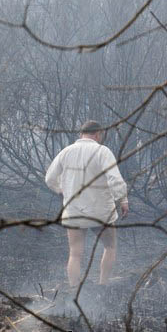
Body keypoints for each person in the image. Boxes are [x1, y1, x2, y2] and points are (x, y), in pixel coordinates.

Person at [45, 120, 129, 289]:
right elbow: (115, 178)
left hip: (75, 212)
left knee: (75, 254)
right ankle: (103, 285)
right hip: (101, 212)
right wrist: (123, 199)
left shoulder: (66, 152)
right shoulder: (102, 151)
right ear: (98, 134)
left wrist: (60, 189)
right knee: (110, 247)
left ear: (81, 134)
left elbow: (49, 179)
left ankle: (74, 290)